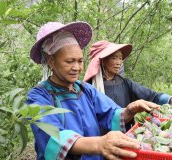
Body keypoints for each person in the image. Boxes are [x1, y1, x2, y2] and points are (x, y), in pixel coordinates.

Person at [26, 22, 161, 160]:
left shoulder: (85, 89)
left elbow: (111, 113)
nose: (77, 67)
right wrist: (99, 144)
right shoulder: (38, 96)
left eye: (80, 61)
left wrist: (129, 110)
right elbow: (52, 135)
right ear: (51, 61)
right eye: (69, 61)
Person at [83, 40, 172, 130]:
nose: (118, 63)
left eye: (120, 58)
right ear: (103, 61)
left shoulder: (125, 83)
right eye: (114, 58)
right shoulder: (89, 88)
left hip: (124, 133)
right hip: (100, 138)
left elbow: (151, 95)